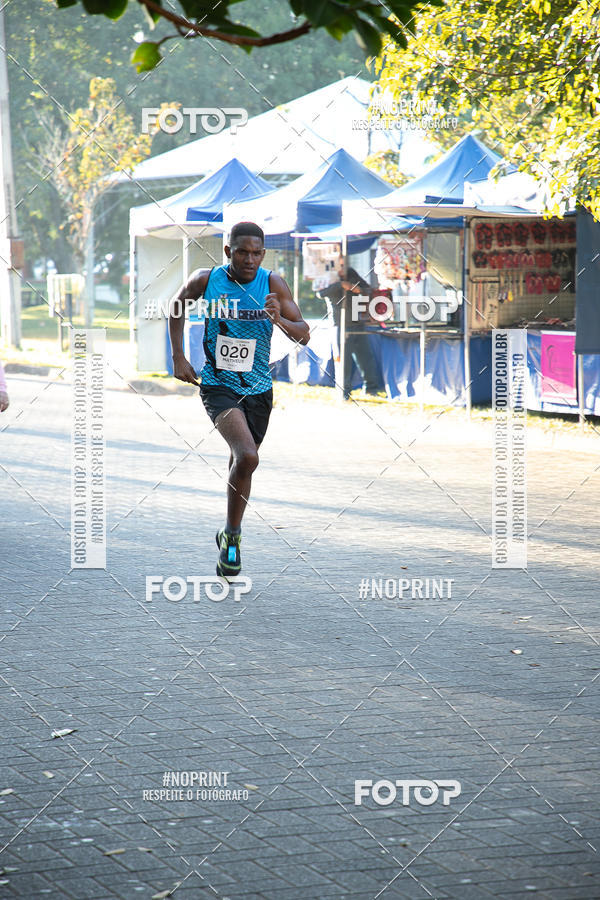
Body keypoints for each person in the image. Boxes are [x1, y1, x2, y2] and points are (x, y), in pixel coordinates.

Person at [169, 222, 309, 577]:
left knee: (242, 462)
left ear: (264, 254)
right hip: (218, 384)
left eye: (257, 253)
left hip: (259, 389)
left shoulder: (272, 284)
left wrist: (279, 320)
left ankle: (228, 530)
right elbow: (176, 307)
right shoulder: (206, 279)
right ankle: (233, 538)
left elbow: (304, 334)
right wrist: (179, 356)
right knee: (247, 455)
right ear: (228, 251)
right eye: (242, 252)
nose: (250, 259)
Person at [317, 256, 381, 398]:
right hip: (340, 325)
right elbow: (320, 293)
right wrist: (341, 285)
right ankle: (344, 392)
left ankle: (371, 388)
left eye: (343, 263)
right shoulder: (327, 276)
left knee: (366, 359)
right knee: (343, 362)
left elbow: (365, 287)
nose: (342, 266)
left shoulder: (351, 273)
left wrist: (355, 287)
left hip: (358, 322)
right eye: (339, 263)